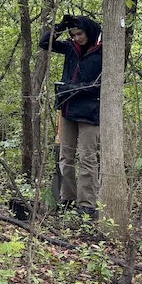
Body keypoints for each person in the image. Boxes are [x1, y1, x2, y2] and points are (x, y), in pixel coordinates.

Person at [40, 14, 103, 219]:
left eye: (80, 33)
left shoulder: (102, 51)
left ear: (89, 32)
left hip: (90, 113)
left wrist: (73, 88)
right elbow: (44, 43)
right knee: (65, 157)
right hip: (67, 110)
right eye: (73, 34)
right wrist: (60, 26)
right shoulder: (70, 47)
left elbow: (100, 85)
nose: (77, 38)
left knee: (87, 159)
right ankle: (68, 199)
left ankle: (87, 205)